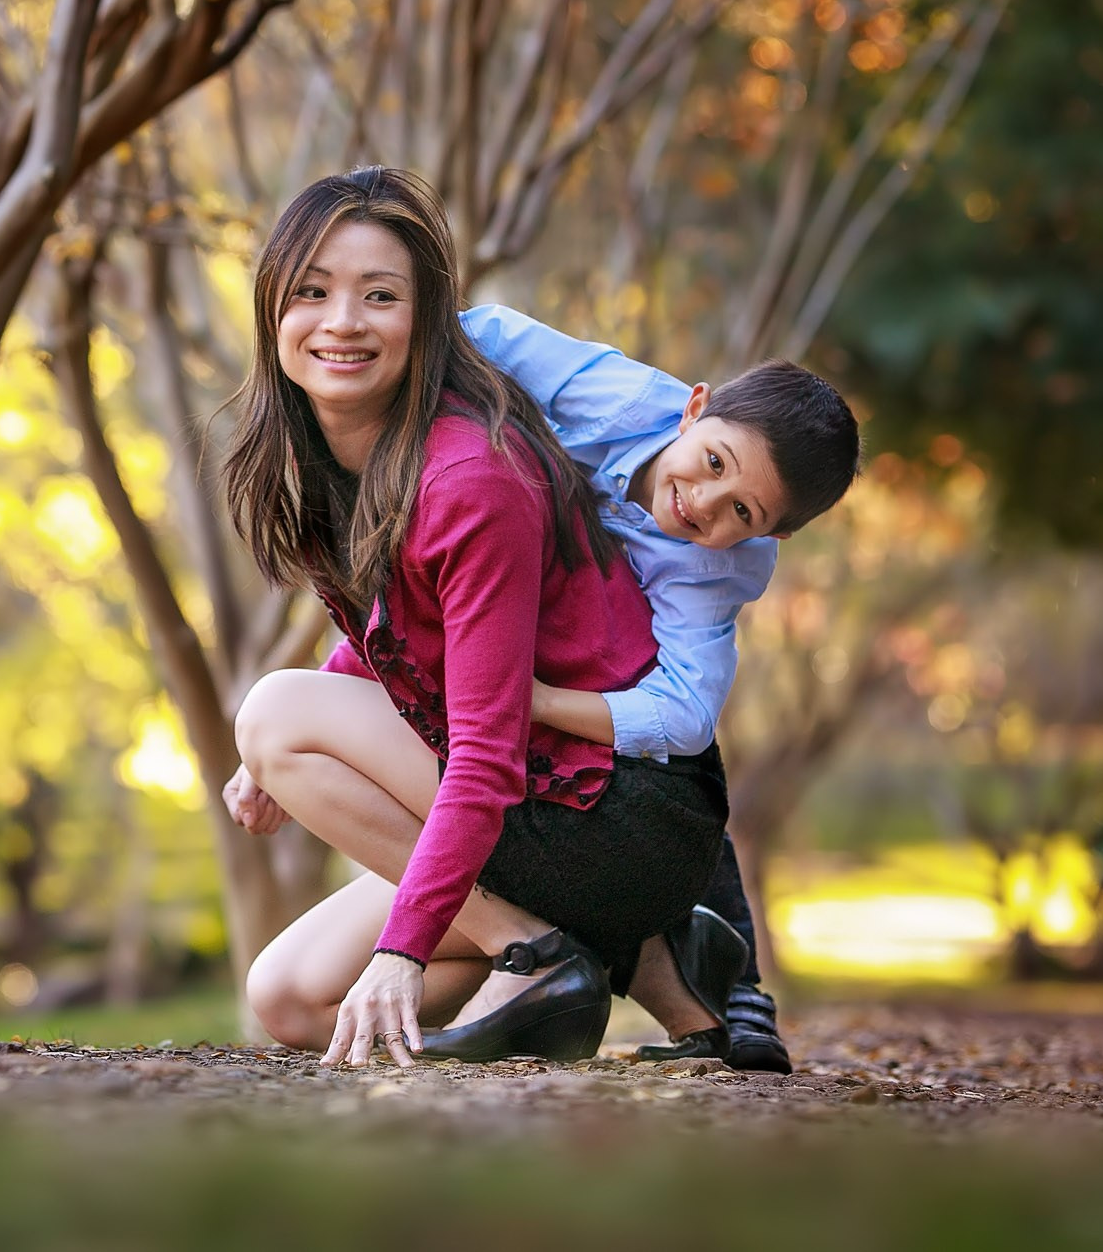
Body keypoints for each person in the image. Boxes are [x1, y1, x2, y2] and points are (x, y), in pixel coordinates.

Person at [223, 166, 743, 1069]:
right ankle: (594, 946)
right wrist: (293, 747)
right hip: (542, 802)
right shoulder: (344, 462)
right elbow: (410, 631)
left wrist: (403, 947)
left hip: (615, 809)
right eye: (312, 291)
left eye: (379, 295)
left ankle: (535, 953)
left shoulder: (473, 476)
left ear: (426, 318)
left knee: (275, 711)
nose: (342, 321)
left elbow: (487, 749)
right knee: (292, 998)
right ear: (274, 307)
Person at [463, 306, 861, 1071]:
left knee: (682, 766)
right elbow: (479, 331)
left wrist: (536, 702)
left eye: (741, 511)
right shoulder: (612, 396)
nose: (703, 503)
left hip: (602, 656)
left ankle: (736, 988)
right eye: (713, 462)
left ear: (771, 533)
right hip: (522, 578)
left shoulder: (721, 566)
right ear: (695, 406)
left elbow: (683, 713)